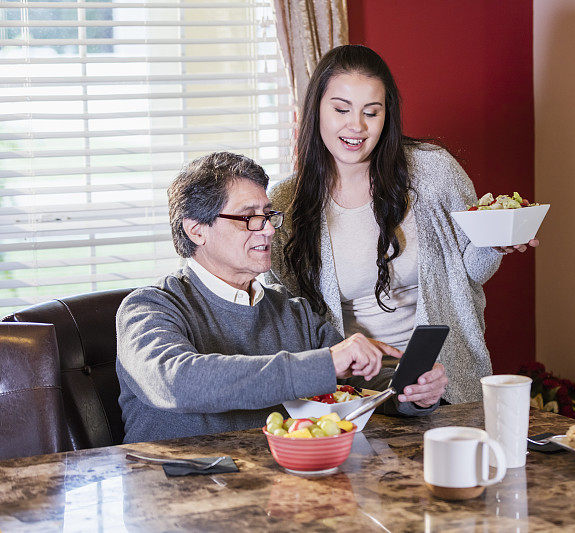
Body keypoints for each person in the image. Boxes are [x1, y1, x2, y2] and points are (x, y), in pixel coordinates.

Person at [265, 45, 537, 404]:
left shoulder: (432, 171)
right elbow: (284, 312)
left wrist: (493, 242)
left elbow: (469, 271)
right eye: (341, 109)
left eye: (371, 112)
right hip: (352, 390)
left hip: (444, 374)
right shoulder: (286, 202)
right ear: (316, 110)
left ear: (386, 116)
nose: (356, 126)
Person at [116, 152, 447, 443]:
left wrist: (412, 392)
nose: (269, 229)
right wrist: (326, 363)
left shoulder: (291, 311)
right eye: (249, 217)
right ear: (196, 230)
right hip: (177, 496)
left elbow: (364, 381)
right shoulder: (147, 307)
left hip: (279, 491)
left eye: (268, 215)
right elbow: (178, 382)